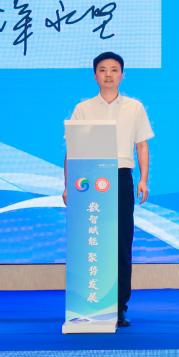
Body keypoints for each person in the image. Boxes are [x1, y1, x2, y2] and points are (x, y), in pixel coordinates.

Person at [65, 51, 153, 328]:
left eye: (114, 70)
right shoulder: (83, 108)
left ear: (122, 75)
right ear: (95, 75)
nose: (108, 75)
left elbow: (142, 145)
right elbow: (72, 149)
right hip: (90, 181)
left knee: (121, 243)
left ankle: (119, 307)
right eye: (103, 70)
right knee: (92, 240)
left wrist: (144, 179)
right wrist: (67, 185)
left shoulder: (134, 107)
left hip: (121, 177)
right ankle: (90, 304)